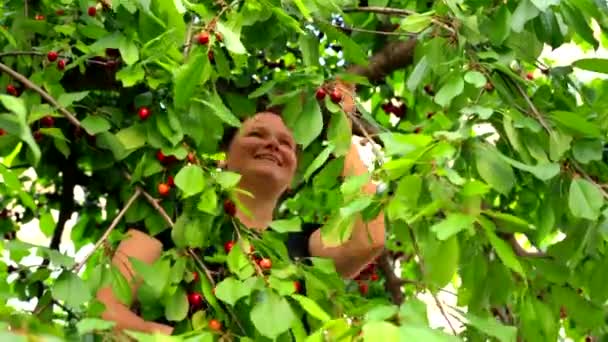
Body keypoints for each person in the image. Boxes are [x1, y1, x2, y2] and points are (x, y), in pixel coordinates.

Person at [95, 82, 386, 335]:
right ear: (224, 158)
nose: (272, 144)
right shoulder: (168, 223)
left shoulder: (301, 246)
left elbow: (368, 240)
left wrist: (341, 130)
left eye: (285, 143)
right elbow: (102, 313)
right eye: (257, 135)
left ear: (293, 177)